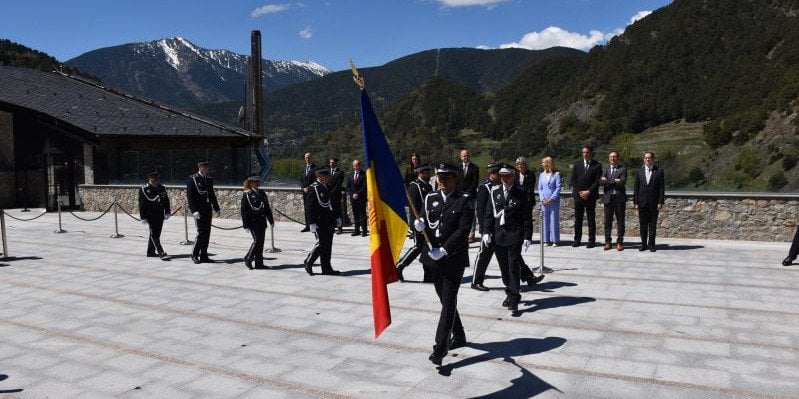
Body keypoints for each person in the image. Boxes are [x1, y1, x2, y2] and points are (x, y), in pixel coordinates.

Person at [413, 163, 473, 366]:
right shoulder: (430, 197)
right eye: (440, 177)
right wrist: (418, 225)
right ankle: (460, 335)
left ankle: (440, 348)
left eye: (447, 177)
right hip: (432, 258)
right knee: (445, 299)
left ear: (455, 179)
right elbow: (423, 219)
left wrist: (444, 250)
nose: (443, 181)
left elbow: (462, 231)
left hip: (452, 258)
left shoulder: (464, 201)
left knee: (448, 301)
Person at [485, 163, 534, 316]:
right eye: (502, 176)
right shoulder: (495, 191)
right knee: (504, 268)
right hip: (499, 235)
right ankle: (510, 292)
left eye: (507, 176)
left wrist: (527, 236)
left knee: (513, 267)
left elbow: (526, 216)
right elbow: (488, 213)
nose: (504, 179)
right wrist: (486, 231)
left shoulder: (521, 192)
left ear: (513, 176)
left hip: (514, 234)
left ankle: (514, 299)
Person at [397, 162, 434, 283]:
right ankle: (399, 266)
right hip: (419, 223)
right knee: (418, 247)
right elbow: (414, 208)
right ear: (420, 173)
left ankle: (428, 275)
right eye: (427, 173)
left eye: (429, 172)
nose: (429, 174)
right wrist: (417, 223)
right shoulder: (415, 186)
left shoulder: (428, 186)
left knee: (428, 248)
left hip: (428, 223)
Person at [304, 167, 342, 275]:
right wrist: (311, 223)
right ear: (318, 176)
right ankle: (308, 261)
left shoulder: (328, 187)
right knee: (321, 244)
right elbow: (310, 207)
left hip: (329, 221)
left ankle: (326, 268)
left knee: (328, 246)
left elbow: (333, 204)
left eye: (327, 176)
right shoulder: (313, 188)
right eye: (323, 176)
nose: (326, 178)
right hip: (319, 221)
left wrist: (337, 217)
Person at [472, 162, 500, 291]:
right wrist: (484, 230)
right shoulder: (485, 188)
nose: (498, 175)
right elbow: (480, 210)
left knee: (512, 255)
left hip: (500, 228)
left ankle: (527, 276)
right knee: (483, 255)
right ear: (490, 174)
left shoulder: (500, 186)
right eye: (495, 173)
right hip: (489, 229)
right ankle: (476, 282)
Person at [187, 159, 220, 264]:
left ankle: (204, 255)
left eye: (206, 167)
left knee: (207, 233)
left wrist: (216, 207)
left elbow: (211, 194)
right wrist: (193, 210)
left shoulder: (209, 179)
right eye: (202, 167)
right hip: (198, 210)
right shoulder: (193, 179)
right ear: (199, 167)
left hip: (207, 209)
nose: (204, 169)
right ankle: (195, 254)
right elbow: (190, 197)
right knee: (201, 233)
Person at [570, 145, 602, 248]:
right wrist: (580, 192)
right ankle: (577, 240)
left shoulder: (597, 165)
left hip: (590, 196)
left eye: (587, 152)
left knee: (591, 219)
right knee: (578, 219)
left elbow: (597, 181)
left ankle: (591, 241)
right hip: (579, 196)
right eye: (583, 152)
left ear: (590, 153)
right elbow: (573, 180)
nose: (585, 154)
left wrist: (588, 191)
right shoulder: (577, 164)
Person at [241, 174, 274, 270]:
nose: (257, 183)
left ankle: (259, 263)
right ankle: (248, 257)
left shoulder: (262, 193)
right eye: (255, 181)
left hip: (261, 221)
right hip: (252, 222)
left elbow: (267, 208)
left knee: (261, 243)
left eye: (258, 181)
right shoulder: (247, 194)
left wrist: (271, 220)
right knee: (257, 241)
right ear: (250, 183)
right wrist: (245, 225)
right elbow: (243, 210)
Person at [633, 151, 665, 252]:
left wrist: (660, 202)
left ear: (653, 159)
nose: (648, 159)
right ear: (644, 159)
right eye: (646, 158)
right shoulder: (639, 171)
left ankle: (651, 244)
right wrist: (636, 202)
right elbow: (636, 188)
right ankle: (643, 244)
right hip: (642, 203)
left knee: (652, 225)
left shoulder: (659, 171)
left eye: (650, 158)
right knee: (642, 224)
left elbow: (661, 188)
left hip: (654, 203)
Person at [138, 171, 171, 260]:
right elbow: (142, 204)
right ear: (149, 178)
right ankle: (161, 253)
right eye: (153, 178)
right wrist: (143, 217)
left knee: (156, 233)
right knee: (154, 234)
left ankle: (150, 252)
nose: (156, 180)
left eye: (156, 178)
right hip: (150, 214)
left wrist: (167, 211)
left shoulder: (162, 187)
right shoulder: (144, 189)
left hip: (160, 214)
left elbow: (166, 200)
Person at [601, 151, 628, 251]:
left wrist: (607, 180)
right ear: (609, 158)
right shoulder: (606, 169)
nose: (613, 158)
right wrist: (614, 180)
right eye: (611, 157)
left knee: (620, 222)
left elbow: (622, 182)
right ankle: (608, 242)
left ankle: (619, 242)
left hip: (619, 199)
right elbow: (600, 182)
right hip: (608, 199)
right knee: (607, 222)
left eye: (615, 157)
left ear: (618, 158)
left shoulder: (623, 169)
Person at [457, 149, 480, 243]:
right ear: (460, 157)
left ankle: (471, 235)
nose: (465, 157)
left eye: (466, 155)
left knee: (471, 215)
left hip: (471, 195)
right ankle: (461, 234)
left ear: (469, 156)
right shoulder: (457, 168)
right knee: (459, 214)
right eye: (463, 156)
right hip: (459, 195)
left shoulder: (474, 167)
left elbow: (475, 182)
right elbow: (456, 181)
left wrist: (468, 192)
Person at [538, 157, 562, 246]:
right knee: (545, 220)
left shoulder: (556, 174)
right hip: (544, 201)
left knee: (554, 220)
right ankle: (546, 240)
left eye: (543, 162)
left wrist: (552, 198)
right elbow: (540, 188)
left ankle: (555, 240)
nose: (542, 164)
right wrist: (542, 199)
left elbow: (558, 187)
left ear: (548, 163)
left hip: (553, 201)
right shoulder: (541, 175)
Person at [346, 159, 368, 236]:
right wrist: (352, 194)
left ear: (360, 165)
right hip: (353, 198)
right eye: (355, 165)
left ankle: (364, 230)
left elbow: (364, 186)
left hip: (361, 198)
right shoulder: (350, 174)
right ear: (353, 166)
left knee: (362, 214)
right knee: (355, 214)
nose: (357, 167)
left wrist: (357, 194)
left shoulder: (364, 174)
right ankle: (357, 230)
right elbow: (348, 186)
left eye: (358, 165)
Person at [299, 152, 317, 233]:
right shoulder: (303, 169)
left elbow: (316, 180)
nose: (308, 159)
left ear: (312, 158)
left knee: (313, 209)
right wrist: (303, 188)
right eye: (306, 157)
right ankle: (307, 226)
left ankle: (313, 225)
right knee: (306, 209)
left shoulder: (315, 168)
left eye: (309, 157)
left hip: (312, 192)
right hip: (305, 192)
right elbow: (301, 180)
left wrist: (308, 188)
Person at [328, 158, 346, 234]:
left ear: (336, 163)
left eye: (332, 162)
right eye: (330, 162)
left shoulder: (340, 172)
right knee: (330, 212)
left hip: (336, 196)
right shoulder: (327, 171)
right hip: (328, 195)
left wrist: (332, 192)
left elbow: (338, 184)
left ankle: (339, 228)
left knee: (337, 212)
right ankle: (332, 227)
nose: (331, 164)